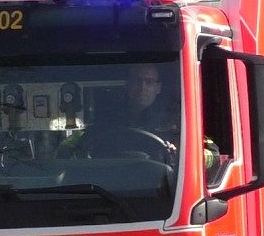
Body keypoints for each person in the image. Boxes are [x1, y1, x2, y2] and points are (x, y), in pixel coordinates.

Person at [59, 64, 220, 171]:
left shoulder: (177, 123)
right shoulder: (108, 121)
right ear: (128, 85)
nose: (142, 87)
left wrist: (183, 156)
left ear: (158, 88)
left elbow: (213, 156)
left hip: (163, 191)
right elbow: (69, 148)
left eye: (149, 82)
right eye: (137, 81)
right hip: (112, 190)